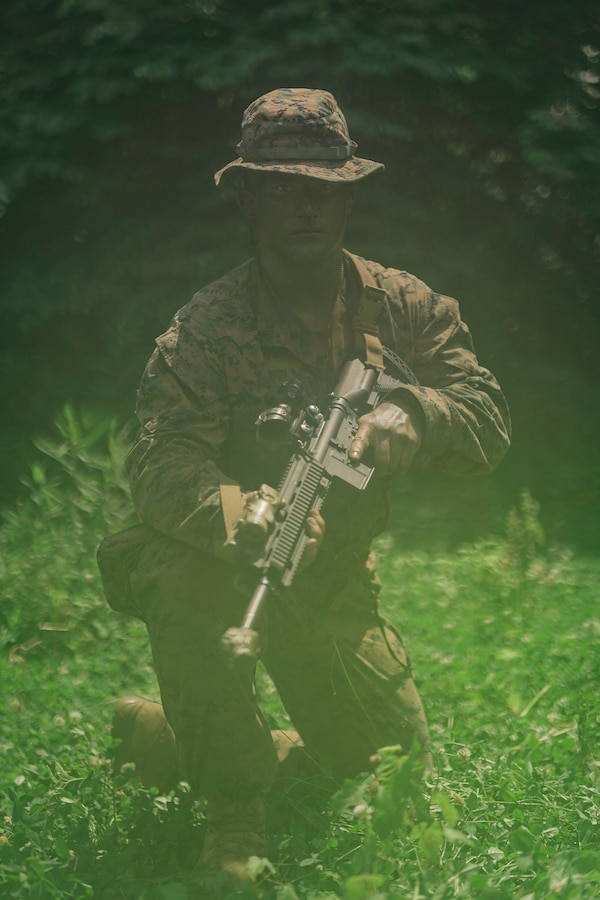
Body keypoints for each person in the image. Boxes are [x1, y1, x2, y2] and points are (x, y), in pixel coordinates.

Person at [98, 87, 511, 882]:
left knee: (393, 782)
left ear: (349, 196)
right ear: (247, 199)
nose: (306, 209)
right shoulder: (204, 328)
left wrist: (416, 412)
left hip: (334, 581)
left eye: (324, 190)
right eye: (283, 189)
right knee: (180, 573)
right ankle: (233, 813)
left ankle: (165, 738)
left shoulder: (404, 305)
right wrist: (243, 513)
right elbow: (158, 460)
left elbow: (486, 417)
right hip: (232, 562)